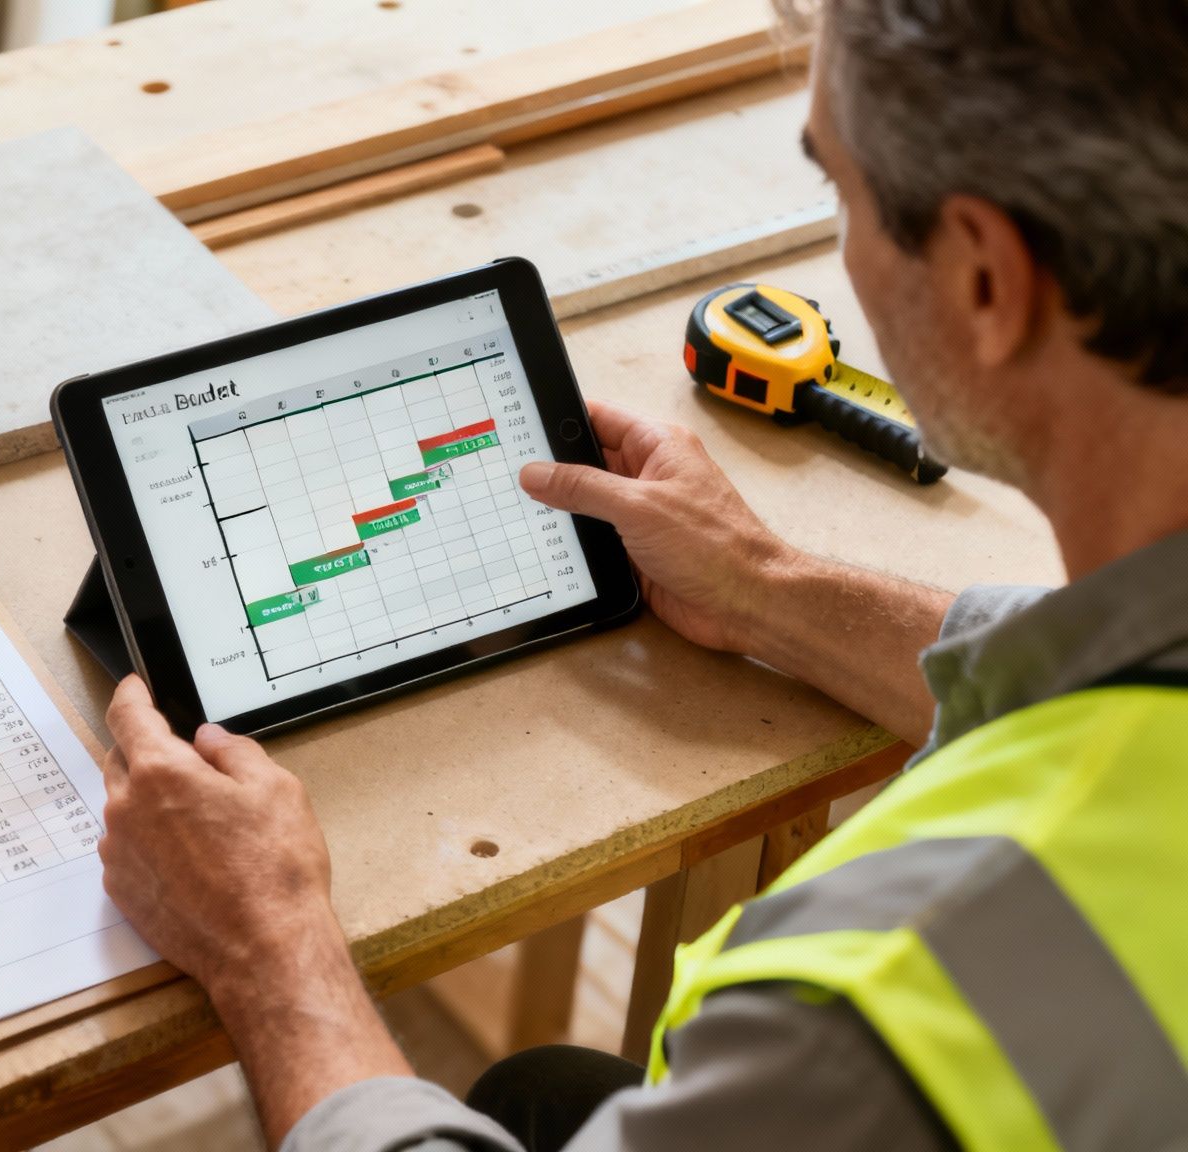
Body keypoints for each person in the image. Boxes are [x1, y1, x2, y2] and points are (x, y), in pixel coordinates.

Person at [97, 1, 1188, 1149]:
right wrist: (767, 587)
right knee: (544, 1090)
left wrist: (266, 947)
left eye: (838, 192)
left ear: (981, 278)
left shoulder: (875, 1007)